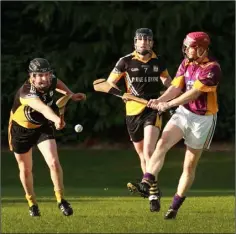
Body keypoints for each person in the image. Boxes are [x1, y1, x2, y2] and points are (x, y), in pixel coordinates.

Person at [127, 31, 221, 218]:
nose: (186, 50)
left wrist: (168, 105)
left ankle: (175, 206)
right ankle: (146, 183)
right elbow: (176, 87)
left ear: (201, 48)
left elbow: (193, 93)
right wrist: (158, 101)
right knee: (161, 144)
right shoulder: (186, 63)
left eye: (190, 47)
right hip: (183, 113)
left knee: (189, 165)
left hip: (202, 119)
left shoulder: (212, 68)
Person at [8, 58, 86, 217]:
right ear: (32, 76)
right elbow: (43, 109)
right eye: (39, 75)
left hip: (43, 126)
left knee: (53, 162)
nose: (44, 78)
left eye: (47, 74)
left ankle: (61, 200)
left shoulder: (51, 80)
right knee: (26, 169)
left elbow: (58, 83)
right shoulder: (26, 93)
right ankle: (32, 203)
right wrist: (56, 119)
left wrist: (70, 95)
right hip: (21, 130)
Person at [107, 28, 172, 211]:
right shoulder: (125, 61)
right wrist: (121, 95)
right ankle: (153, 188)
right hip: (132, 112)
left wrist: (166, 97)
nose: (143, 43)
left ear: (152, 43)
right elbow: (108, 83)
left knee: (150, 151)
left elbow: (168, 82)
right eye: (140, 40)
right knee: (142, 154)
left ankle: (151, 194)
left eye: (147, 40)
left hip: (152, 110)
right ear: (135, 42)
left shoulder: (158, 61)